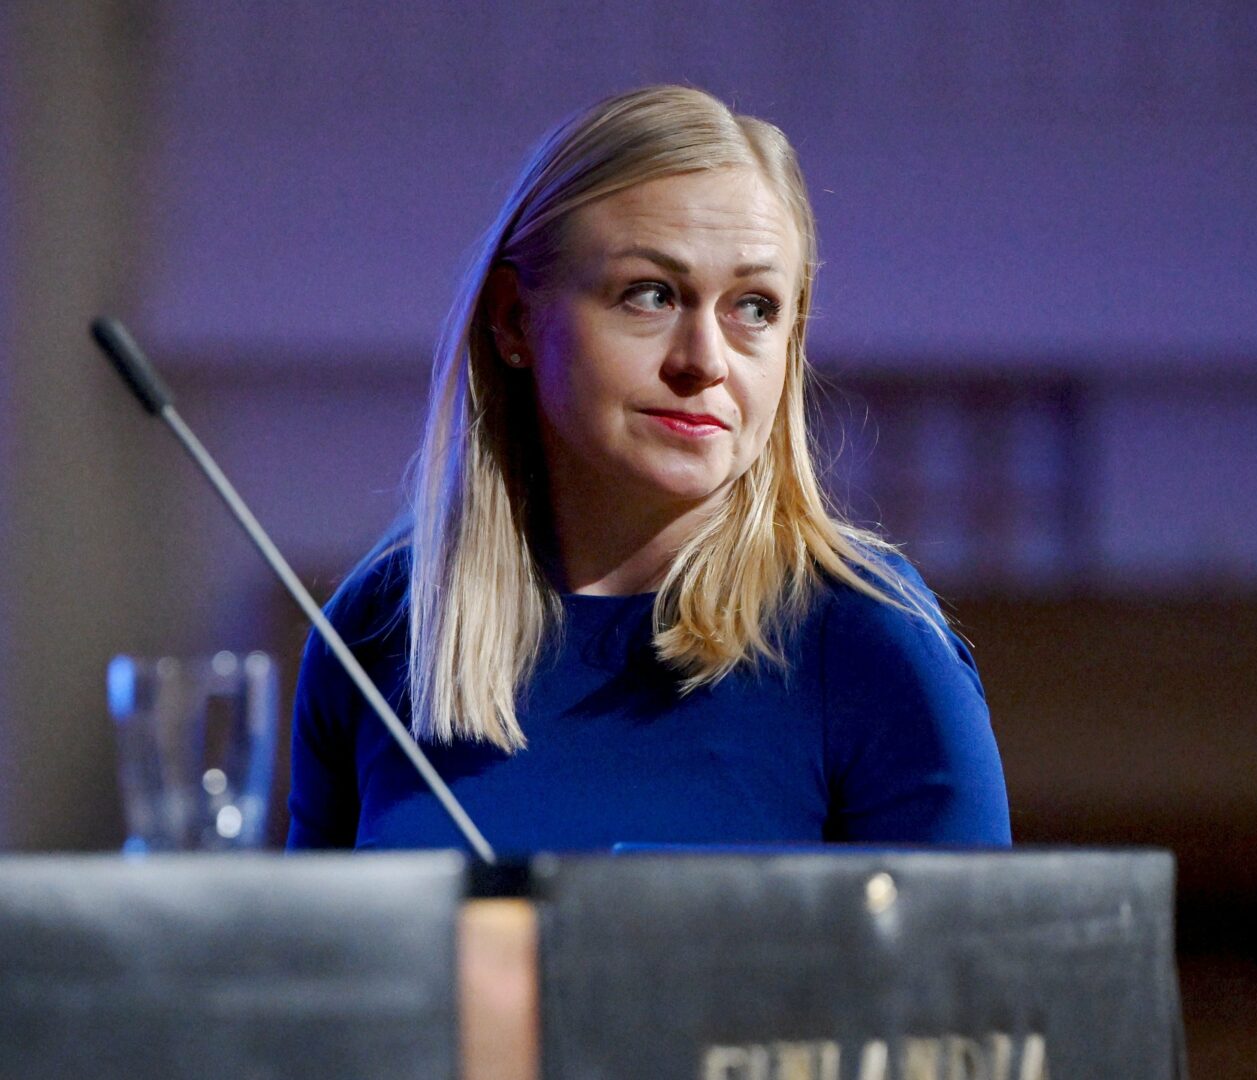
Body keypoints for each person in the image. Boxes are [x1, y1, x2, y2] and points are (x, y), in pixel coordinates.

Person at [287, 85, 1010, 852]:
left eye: (755, 307)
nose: (704, 360)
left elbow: (970, 935)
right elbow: (314, 935)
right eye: (651, 295)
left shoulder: (871, 641)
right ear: (513, 317)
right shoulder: (381, 629)